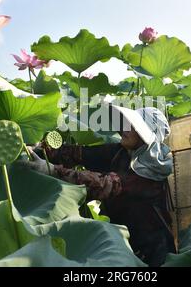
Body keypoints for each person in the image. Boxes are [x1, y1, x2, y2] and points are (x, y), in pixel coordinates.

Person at [26, 105, 177, 267]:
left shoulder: (151, 173)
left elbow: (103, 184)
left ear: (145, 135)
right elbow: (82, 154)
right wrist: (42, 151)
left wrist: (51, 170)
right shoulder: (121, 151)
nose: (126, 128)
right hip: (122, 240)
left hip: (153, 251)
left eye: (134, 126)